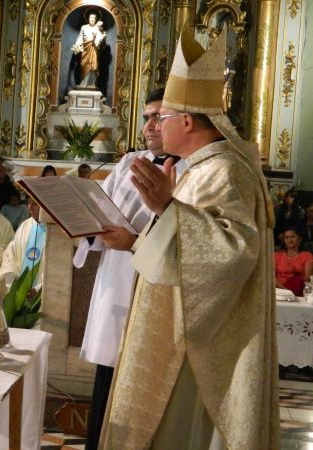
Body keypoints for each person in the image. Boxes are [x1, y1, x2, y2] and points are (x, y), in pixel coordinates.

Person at [101, 29, 278, 449]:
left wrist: (168, 208)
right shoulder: (198, 168)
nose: (155, 127)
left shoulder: (224, 171)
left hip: (197, 347)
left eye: (162, 118)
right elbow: (180, 243)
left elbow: (233, 254)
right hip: (174, 326)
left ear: (185, 121)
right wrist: (151, 228)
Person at [75, 88, 183, 450]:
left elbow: (185, 236)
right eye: (146, 118)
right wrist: (82, 226)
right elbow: (99, 209)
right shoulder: (126, 162)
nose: (149, 126)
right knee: (107, 378)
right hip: (115, 279)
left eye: (158, 117)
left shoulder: (190, 169)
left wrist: (132, 239)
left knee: (142, 380)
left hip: (152, 283)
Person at [0, 198, 46, 298]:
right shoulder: (25, 225)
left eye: (35, 204)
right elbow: (11, 255)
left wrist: (39, 288)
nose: (30, 208)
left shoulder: (57, 231)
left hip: (44, 295)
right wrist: (15, 285)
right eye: (28, 203)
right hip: (20, 292)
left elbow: (58, 266)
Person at [72, 10, 106, 88]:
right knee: (83, 65)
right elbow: (80, 37)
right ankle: (83, 83)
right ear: (88, 18)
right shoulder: (84, 27)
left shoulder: (97, 28)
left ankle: (92, 84)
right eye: (91, 17)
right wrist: (77, 46)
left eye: (94, 17)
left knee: (93, 65)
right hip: (85, 49)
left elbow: (100, 37)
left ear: (96, 19)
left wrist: (97, 40)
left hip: (93, 49)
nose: (92, 19)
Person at [274, 228, 313, 296]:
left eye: (292, 237)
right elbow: (272, 277)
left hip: (298, 292)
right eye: (286, 238)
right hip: (278, 290)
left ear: (300, 239)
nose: (289, 240)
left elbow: (308, 278)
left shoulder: (307, 256)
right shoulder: (276, 255)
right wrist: (285, 291)